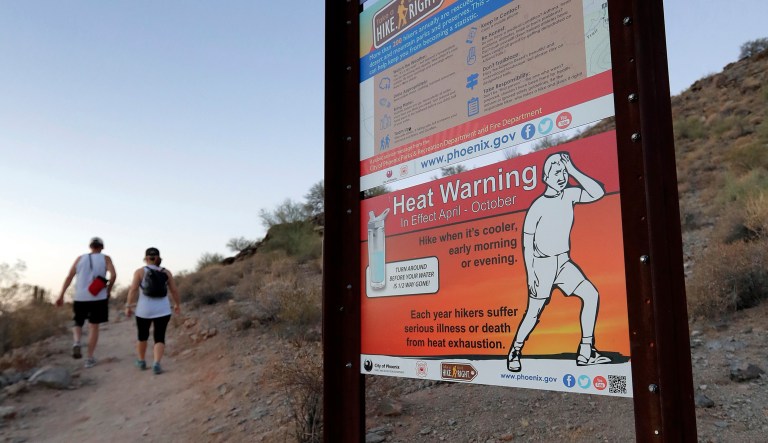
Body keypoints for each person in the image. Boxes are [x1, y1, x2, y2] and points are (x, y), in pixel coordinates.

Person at [507, 152, 611, 372]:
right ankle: (515, 351)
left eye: (563, 172)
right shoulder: (538, 207)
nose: (561, 176)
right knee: (533, 313)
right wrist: (531, 275)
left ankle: (585, 350)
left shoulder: (569, 195)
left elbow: (598, 192)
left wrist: (573, 169)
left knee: (591, 295)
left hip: (564, 263)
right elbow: (527, 244)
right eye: (556, 173)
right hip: (542, 266)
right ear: (545, 177)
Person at [56, 237, 117, 368]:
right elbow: (113, 275)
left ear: (90, 246)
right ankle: (89, 358)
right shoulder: (106, 258)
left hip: (80, 297)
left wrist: (61, 295)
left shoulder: (80, 258)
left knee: (78, 322)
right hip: (98, 297)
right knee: (93, 327)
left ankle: (77, 342)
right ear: (102, 247)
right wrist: (108, 290)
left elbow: (69, 276)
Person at [125, 247, 181, 374]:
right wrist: (177, 304)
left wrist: (128, 305)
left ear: (146, 258)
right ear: (158, 258)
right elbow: (174, 290)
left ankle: (141, 361)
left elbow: (133, 290)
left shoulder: (140, 272)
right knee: (159, 336)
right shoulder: (166, 272)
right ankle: (156, 364)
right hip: (163, 310)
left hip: (143, 311)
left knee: (142, 336)